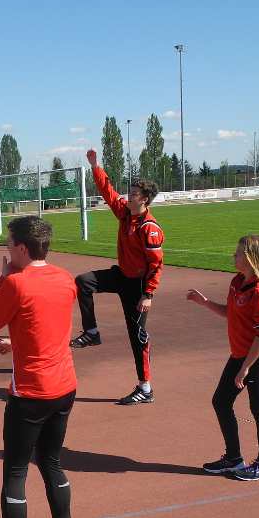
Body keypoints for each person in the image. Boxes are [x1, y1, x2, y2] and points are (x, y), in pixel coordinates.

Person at [0, 216, 79, 518]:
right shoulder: (65, 278)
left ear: (21, 248)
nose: (6, 249)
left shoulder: (15, 283)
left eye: (9, 243)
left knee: (15, 472)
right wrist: (16, 341)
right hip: (64, 386)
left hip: (31, 393)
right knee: (52, 463)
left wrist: (2, 279)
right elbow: (45, 324)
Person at [187, 234, 259, 481]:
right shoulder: (237, 282)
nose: (234, 255)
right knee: (221, 401)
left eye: (239, 253)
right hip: (242, 354)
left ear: (251, 258)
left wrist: (245, 368)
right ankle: (233, 458)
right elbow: (231, 312)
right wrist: (204, 302)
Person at [70, 149, 163, 405]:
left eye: (134, 194)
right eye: (129, 192)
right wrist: (95, 166)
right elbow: (107, 191)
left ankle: (145, 388)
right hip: (121, 276)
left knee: (137, 336)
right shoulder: (124, 213)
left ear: (145, 199)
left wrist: (148, 294)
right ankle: (91, 332)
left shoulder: (149, 228)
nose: (128, 196)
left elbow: (156, 265)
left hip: (138, 286)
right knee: (84, 281)